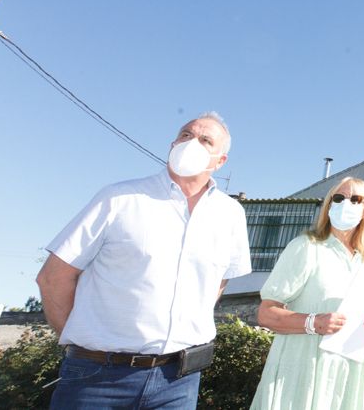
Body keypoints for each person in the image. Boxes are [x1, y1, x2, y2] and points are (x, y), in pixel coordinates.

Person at [36, 112, 251, 409]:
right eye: (186, 135)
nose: (192, 143)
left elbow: (218, 282)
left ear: (220, 161)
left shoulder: (231, 214)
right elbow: (53, 277)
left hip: (178, 381)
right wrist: (82, 343)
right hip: (96, 378)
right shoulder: (119, 198)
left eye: (205, 140)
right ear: (173, 144)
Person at [250, 177, 364, 410]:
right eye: (339, 197)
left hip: (347, 378)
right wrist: (313, 322)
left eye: (356, 199)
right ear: (329, 205)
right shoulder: (306, 247)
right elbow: (265, 313)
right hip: (300, 376)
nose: (346, 203)